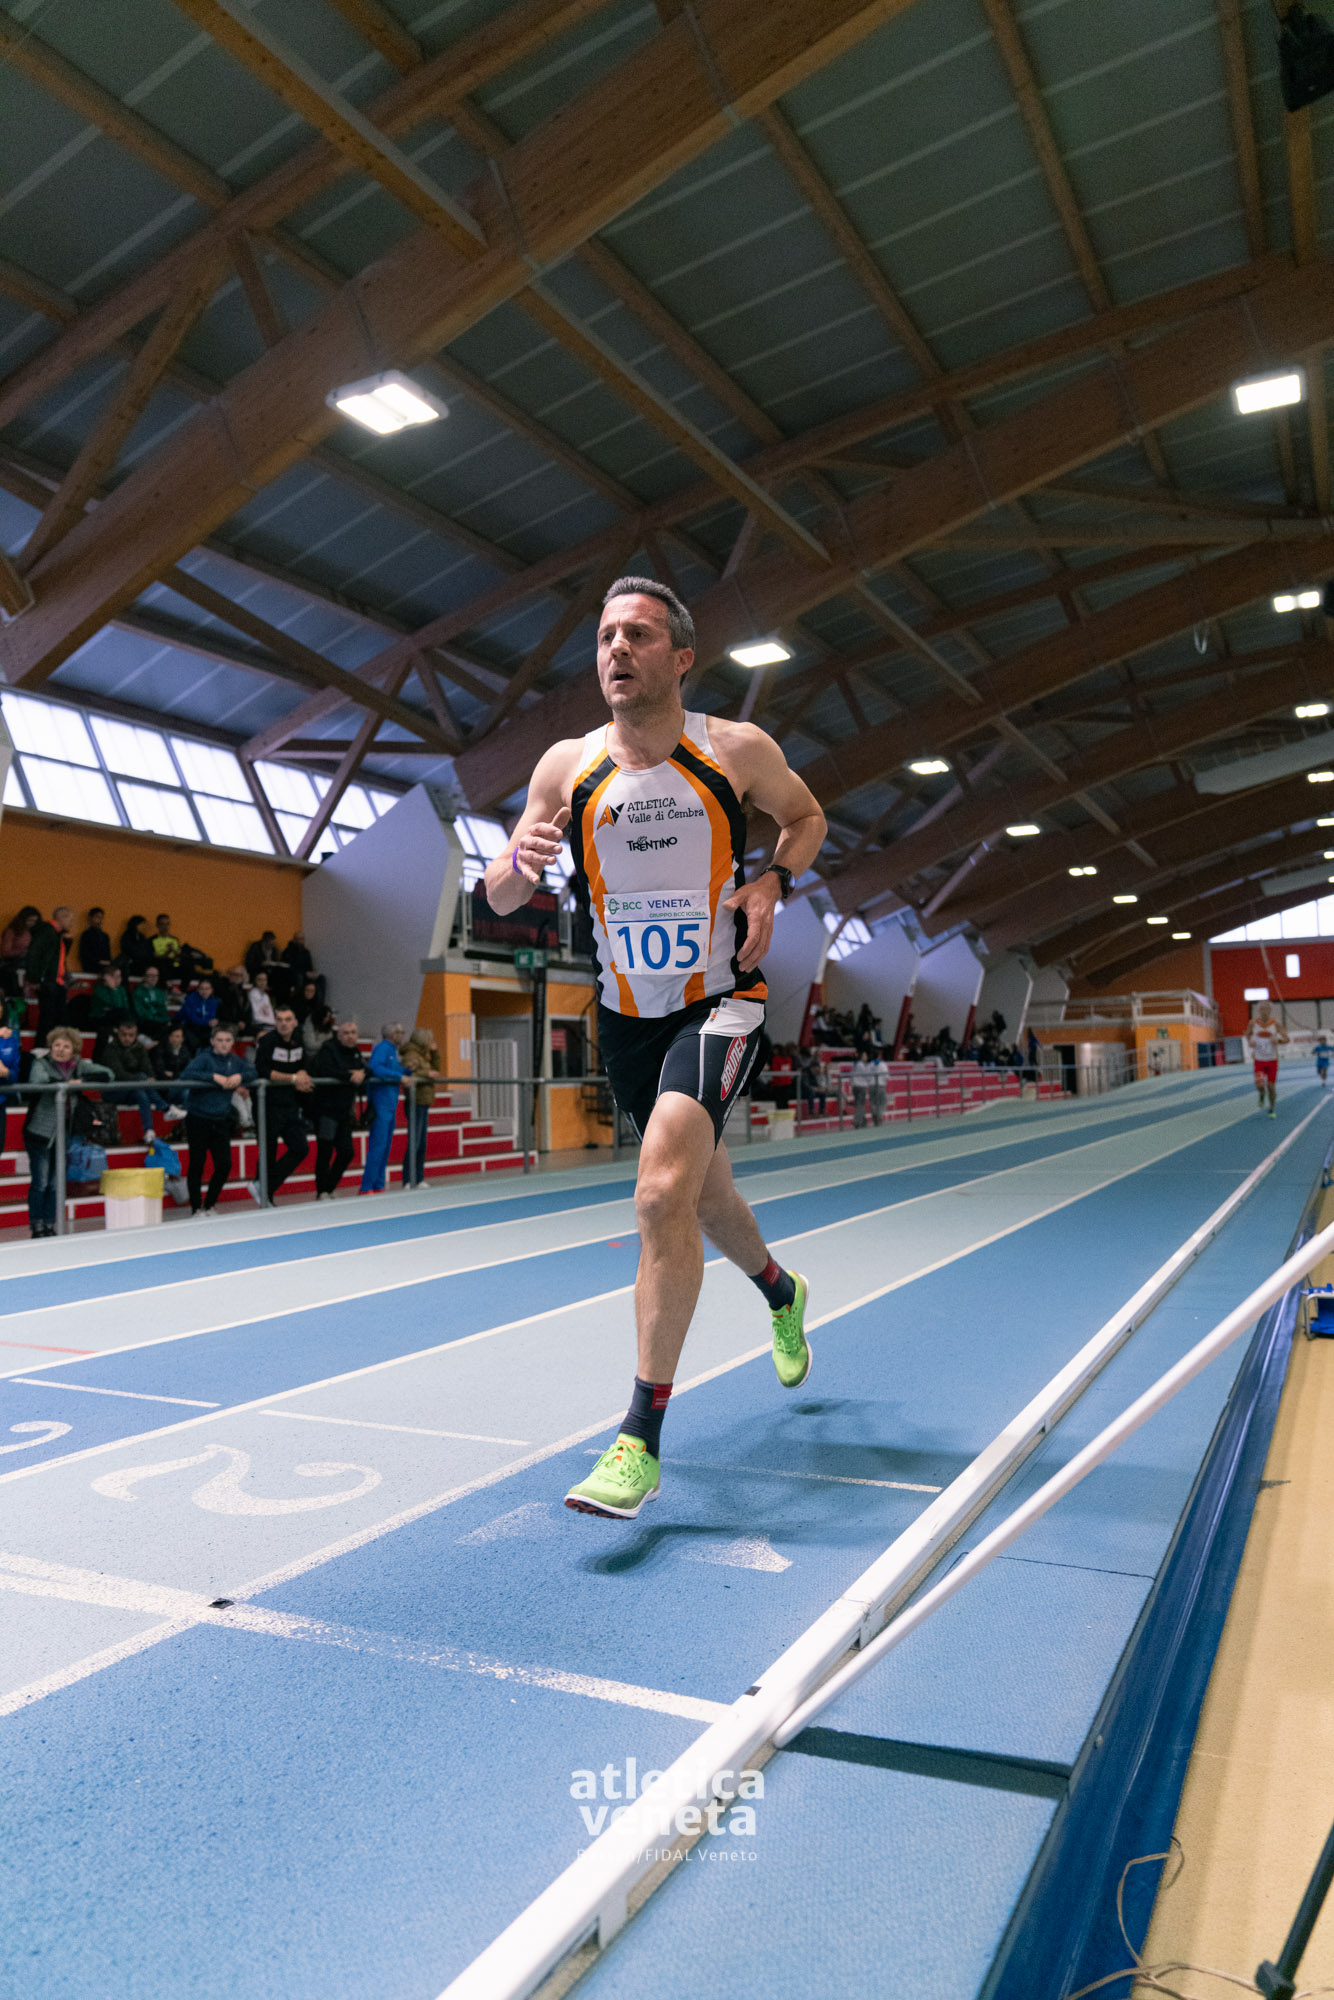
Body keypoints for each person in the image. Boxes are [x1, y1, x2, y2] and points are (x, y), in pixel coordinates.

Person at [484, 575, 826, 1521]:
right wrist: (518, 864)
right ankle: (781, 1290)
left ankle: (638, 1438)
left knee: (658, 1192)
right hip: (626, 1019)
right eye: (605, 637)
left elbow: (806, 818)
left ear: (680, 658)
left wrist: (771, 884)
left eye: (636, 635)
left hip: (720, 1003)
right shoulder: (567, 765)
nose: (616, 651)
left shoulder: (735, 750)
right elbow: (500, 892)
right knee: (702, 1196)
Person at [24, 1026, 112, 1238]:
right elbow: (38, 1081)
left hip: (65, 1133)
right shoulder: (41, 1063)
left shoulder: (79, 1066)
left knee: (55, 1183)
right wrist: (67, 1084)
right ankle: (37, 1225)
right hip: (40, 1133)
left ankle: (50, 1224)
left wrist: (81, 1082)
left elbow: (108, 1074)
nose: (60, 1050)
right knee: (41, 1182)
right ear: (50, 1047)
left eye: (66, 1046)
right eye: (56, 1045)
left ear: (74, 1050)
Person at [179, 1024, 256, 1216]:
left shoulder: (235, 1061)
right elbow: (186, 1074)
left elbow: (253, 1073)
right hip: (198, 1118)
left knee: (224, 1164)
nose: (223, 1044)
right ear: (212, 1041)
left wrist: (239, 1077)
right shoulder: (204, 1058)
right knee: (197, 1163)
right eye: (219, 1040)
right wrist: (214, 1077)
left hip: (221, 1119)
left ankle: (210, 1204)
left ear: (233, 1042)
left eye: (227, 1040)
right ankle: (196, 1208)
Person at [253, 1005, 313, 1203]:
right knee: (268, 1153)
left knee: (300, 1148)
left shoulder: (299, 1040)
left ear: (295, 1022)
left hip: (290, 1105)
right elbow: (263, 1071)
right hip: (268, 1105)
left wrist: (302, 1073)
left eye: (288, 1019)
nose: (283, 1023)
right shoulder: (267, 1041)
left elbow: (303, 1065)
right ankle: (266, 1197)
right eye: (279, 1019)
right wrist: (294, 1078)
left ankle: (264, 1186)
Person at [309, 1019, 366, 1199]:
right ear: (338, 1035)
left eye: (353, 1033)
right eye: (346, 1033)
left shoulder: (356, 1052)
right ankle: (322, 1191)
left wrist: (362, 1073)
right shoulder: (328, 1049)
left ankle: (329, 1187)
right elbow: (326, 1070)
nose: (350, 1036)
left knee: (347, 1152)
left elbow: (367, 1070)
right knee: (325, 1152)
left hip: (343, 1112)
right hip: (326, 1110)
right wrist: (349, 1075)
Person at [101, 1018, 176, 1140]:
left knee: (140, 1092)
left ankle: (149, 1131)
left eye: (131, 1035)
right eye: (124, 1034)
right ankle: (165, 1108)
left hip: (133, 1088)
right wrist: (141, 1079)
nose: (127, 1038)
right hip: (113, 1091)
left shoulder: (139, 1048)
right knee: (141, 1079)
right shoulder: (110, 1049)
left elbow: (147, 1066)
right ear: (118, 1034)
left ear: (136, 1035)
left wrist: (150, 1077)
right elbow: (119, 1074)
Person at [360, 1023, 405, 1193]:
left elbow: (397, 1069)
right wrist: (400, 1076)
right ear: (393, 1034)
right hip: (381, 1103)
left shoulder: (392, 1051)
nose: (402, 1035)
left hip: (389, 1103)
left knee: (385, 1145)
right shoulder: (382, 1049)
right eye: (400, 1032)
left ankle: (378, 1184)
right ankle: (366, 1186)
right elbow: (376, 1068)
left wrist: (409, 1071)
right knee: (378, 1145)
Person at [399, 1027, 441, 1187]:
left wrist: (435, 1053)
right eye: (430, 1040)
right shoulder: (411, 1054)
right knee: (414, 1142)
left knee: (422, 1143)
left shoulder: (424, 1055)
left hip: (424, 1101)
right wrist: (426, 1074)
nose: (432, 1043)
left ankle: (419, 1178)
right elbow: (410, 1074)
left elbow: (436, 1069)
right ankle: (407, 1179)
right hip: (415, 1102)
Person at [27, 906, 74, 1042]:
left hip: (57, 982)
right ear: (62, 918)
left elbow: (59, 958)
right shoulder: (47, 931)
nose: (71, 924)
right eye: (70, 920)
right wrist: (34, 979)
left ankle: (53, 1047)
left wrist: (68, 942)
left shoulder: (58, 935)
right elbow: (34, 954)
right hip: (48, 981)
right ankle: (41, 1048)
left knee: (59, 1020)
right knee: (47, 1020)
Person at [1246, 1003, 1288, 1116]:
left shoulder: (1276, 1024)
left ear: (1270, 1010)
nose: (1264, 1011)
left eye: (1266, 1009)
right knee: (1260, 1086)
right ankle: (1261, 1094)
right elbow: (1247, 1034)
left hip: (1272, 1059)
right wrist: (1250, 1042)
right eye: (1262, 1009)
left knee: (1271, 1087)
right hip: (1259, 1060)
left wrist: (1279, 1041)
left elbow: (1287, 1038)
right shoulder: (1253, 1023)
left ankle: (1272, 1108)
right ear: (1259, 1011)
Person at [1, 905, 39, 1002]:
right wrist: (23, 951)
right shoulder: (12, 931)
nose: (32, 923)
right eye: (30, 920)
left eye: (34, 921)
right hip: (14, 961)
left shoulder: (32, 932)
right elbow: (5, 952)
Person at [88, 966, 133, 1042]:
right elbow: (116, 1005)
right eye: (116, 976)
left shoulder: (121, 989)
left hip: (118, 1017)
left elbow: (125, 1006)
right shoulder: (99, 989)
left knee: (126, 1013)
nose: (119, 979)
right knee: (121, 1013)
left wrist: (114, 989)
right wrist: (113, 989)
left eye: (120, 976)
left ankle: (127, 1032)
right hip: (101, 1017)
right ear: (107, 977)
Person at [132, 963, 170, 1041]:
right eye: (151, 975)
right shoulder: (137, 992)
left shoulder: (160, 992)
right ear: (144, 977)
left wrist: (167, 1020)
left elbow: (162, 1009)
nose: (154, 978)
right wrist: (160, 1020)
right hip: (145, 1022)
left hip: (159, 1022)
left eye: (156, 976)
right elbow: (141, 1013)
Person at [177, 977, 219, 1048]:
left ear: (211, 990)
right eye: (201, 988)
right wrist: (208, 1022)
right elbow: (191, 1018)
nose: (204, 991)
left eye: (207, 989)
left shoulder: (214, 1001)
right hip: (189, 1025)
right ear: (198, 990)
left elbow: (212, 1017)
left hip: (205, 1027)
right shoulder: (191, 999)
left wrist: (214, 1021)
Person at [215, 965, 251, 1031]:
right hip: (226, 1023)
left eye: (240, 975)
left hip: (241, 1025)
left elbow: (247, 1011)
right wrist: (237, 1022)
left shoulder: (243, 991)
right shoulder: (222, 989)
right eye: (235, 974)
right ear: (229, 975)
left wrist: (244, 1023)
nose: (237, 977)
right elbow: (224, 1012)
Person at [77, 907, 112, 975]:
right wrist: (99, 961)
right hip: (91, 966)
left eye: (101, 918)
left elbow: (108, 953)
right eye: (97, 917)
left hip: (105, 966)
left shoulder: (105, 936)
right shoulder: (86, 935)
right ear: (90, 918)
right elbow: (84, 954)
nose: (100, 920)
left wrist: (109, 962)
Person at [151, 913, 181, 979]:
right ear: (157, 925)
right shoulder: (152, 940)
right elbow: (154, 957)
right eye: (162, 924)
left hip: (175, 965)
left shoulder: (175, 939)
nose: (165, 927)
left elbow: (179, 955)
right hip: (162, 964)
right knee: (164, 963)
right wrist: (167, 952)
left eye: (167, 924)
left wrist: (173, 950)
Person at [850, 1048, 873, 1128]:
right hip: (860, 1086)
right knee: (861, 1104)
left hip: (855, 1086)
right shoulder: (861, 1065)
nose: (866, 1057)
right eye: (865, 1055)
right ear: (861, 1056)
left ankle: (863, 1120)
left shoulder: (856, 1064)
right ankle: (857, 1120)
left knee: (859, 1104)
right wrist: (869, 1067)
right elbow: (867, 1076)